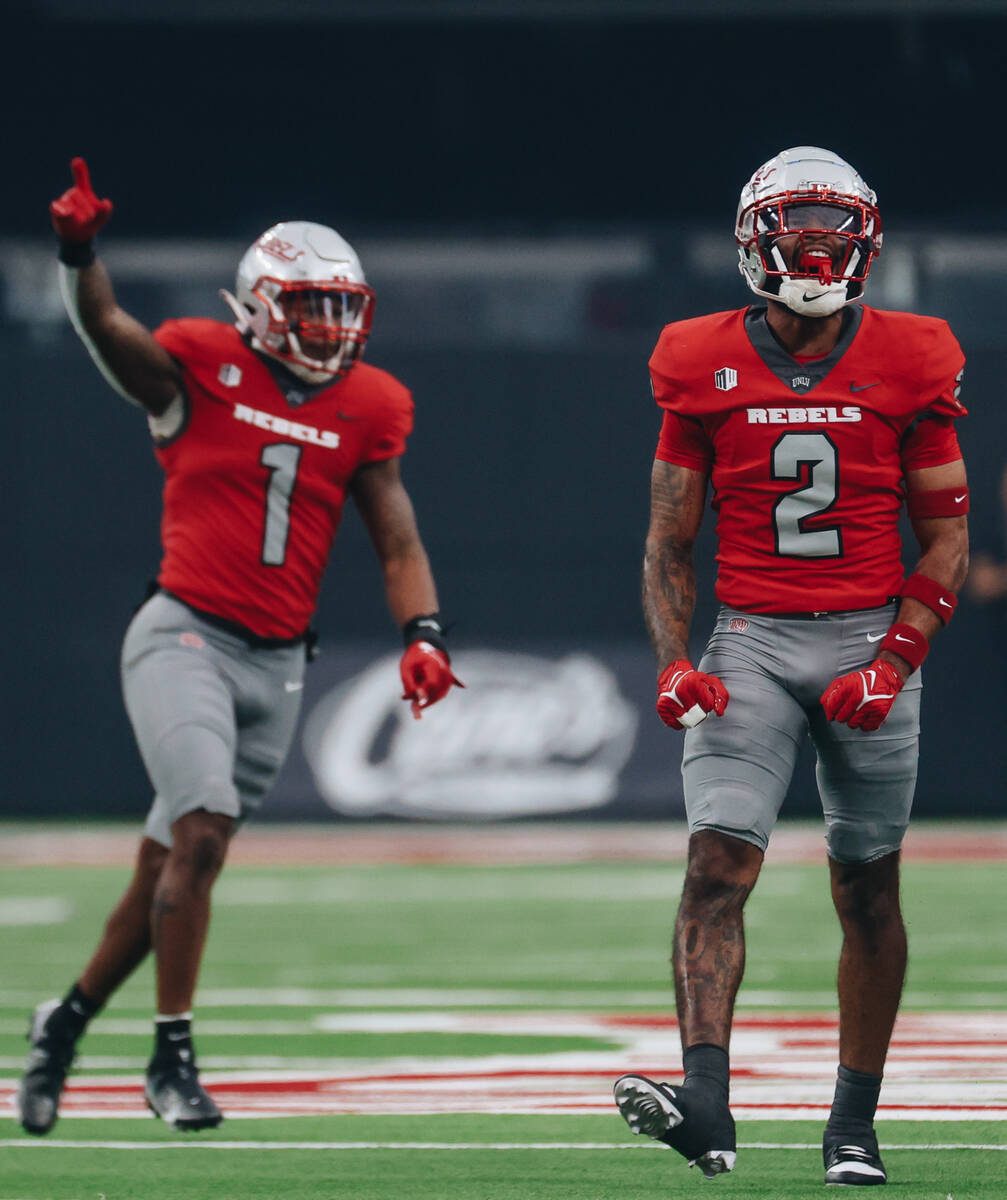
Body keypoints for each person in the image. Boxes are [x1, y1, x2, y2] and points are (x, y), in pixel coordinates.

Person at [18, 158, 461, 1135]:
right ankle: (171, 1059)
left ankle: (65, 1023)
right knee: (203, 831)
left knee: (165, 871)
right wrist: (79, 254)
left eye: (341, 309)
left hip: (279, 666)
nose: (329, 330)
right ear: (260, 308)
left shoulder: (368, 405)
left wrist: (421, 635)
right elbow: (107, 328)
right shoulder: (200, 365)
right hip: (182, 636)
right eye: (309, 308)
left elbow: (395, 536)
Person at [612, 147, 969, 1187]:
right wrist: (675, 660)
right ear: (752, 238)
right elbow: (666, 542)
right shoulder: (695, 357)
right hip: (754, 642)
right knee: (714, 867)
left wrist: (895, 660)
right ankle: (706, 1106)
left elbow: (943, 541)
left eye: (831, 224)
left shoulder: (911, 353)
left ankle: (850, 1128)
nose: (814, 244)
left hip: (865, 633)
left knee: (866, 891)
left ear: (862, 238)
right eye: (794, 224)